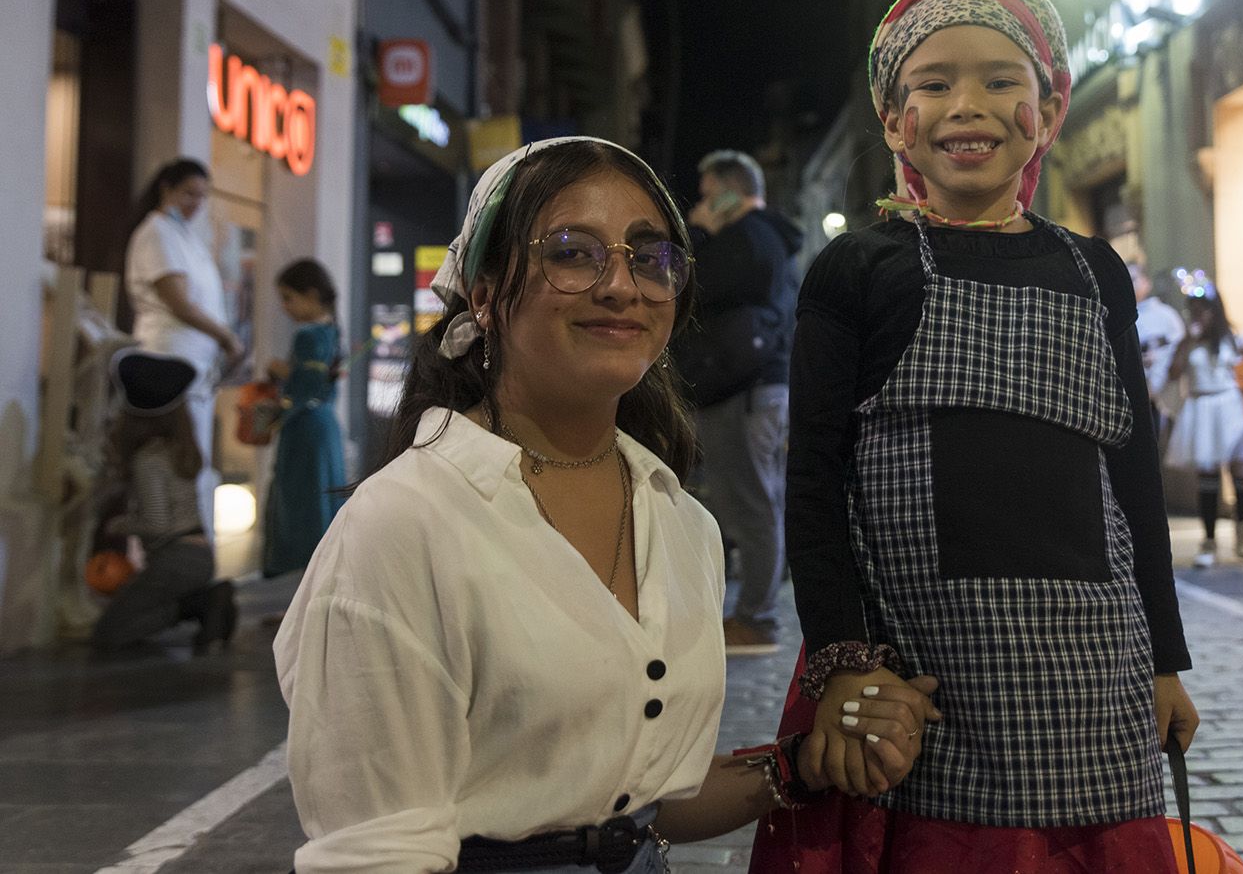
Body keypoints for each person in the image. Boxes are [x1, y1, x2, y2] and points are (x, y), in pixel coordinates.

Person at [272, 137, 938, 873]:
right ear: (485, 293)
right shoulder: (403, 524)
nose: (622, 285)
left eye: (650, 257)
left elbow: (640, 804)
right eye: (572, 251)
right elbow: (373, 852)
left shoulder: (681, 523)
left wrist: (804, 763)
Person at [757, 0, 1198, 873]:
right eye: (934, 84)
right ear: (894, 119)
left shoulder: (1096, 270)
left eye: (1003, 80)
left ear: (1048, 111)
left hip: (1096, 671)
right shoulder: (860, 270)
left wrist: (1164, 658)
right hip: (925, 684)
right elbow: (815, 478)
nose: (969, 106)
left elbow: (1131, 477)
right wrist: (844, 660)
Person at [678, 149, 802, 655]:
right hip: (752, 386)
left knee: (750, 503)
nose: (703, 204)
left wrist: (702, 232)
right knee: (755, 500)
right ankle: (755, 613)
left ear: (731, 190)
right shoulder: (767, 239)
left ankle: (757, 618)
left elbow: (687, 285)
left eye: (709, 193)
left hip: (743, 389)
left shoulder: (748, 239)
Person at [92, 349, 237, 653]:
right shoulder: (176, 450)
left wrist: (119, 524)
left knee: (111, 631)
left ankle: (199, 604)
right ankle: (205, 600)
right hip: (198, 554)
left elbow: (157, 523)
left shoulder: (148, 460)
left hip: (175, 559)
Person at [123, 158, 242, 526]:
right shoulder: (157, 232)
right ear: (166, 188)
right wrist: (225, 336)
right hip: (168, 363)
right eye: (189, 193)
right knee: (178, 458)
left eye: (202, 196)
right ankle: (175, 541)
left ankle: (192, 543)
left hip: (193, 367)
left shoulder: (183, 236)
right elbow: (178, 301)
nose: (195, 203)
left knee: (192, 456)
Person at [1165, 278, 1243, 568]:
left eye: (1204, 309)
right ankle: (1209, 540)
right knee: (1207, 474)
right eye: (1194, 309)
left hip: (1228, 407)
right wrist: (1187, 340)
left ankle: (1241, 528)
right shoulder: (1189, 341)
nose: (1199, 315)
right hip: (1200, 407)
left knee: (1239, 470)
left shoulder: (1236, 338)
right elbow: (1174, 374)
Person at [262, 259, 347, 579]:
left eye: (288, 298)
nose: (285, 307)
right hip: (325, 427)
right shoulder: (332, 330)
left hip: (304, 428)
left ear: (311, 295)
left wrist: (280, 370)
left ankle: (296, 594)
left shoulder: (307, 335)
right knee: (321, 508)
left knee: (299, 510)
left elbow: (308, 386)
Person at [1130, 260, 1187, 438]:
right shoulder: (1122, 319)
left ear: (1146, 282)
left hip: (1167, 395)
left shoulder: (1166, 315)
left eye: (1134, 278)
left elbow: (1181, 351)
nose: (1130, 284)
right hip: (1137, 399)